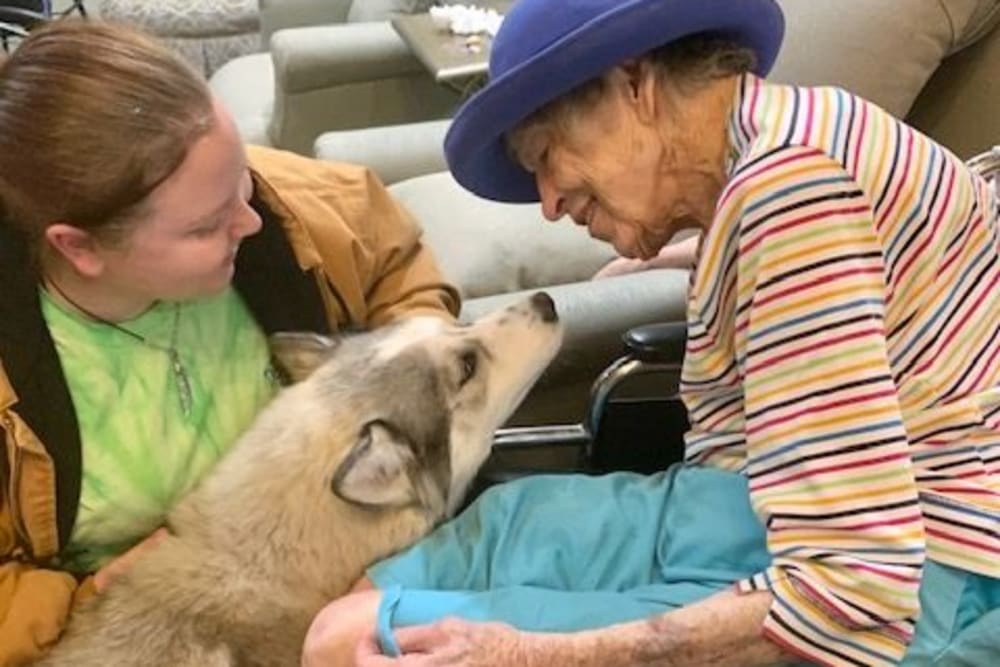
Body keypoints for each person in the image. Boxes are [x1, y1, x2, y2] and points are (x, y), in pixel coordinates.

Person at [300, 0, 1000, 665]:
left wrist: (537, 654)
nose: (548, 204)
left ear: (632, 83)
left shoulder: (792, 201)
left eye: (546, 155)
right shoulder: (797, 142)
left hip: (920, 578)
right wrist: (718, 248)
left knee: (350, 640)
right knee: (481, 534)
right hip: (757, 503)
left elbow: (853, 598)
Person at [0, 19, 459, 665]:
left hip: (360, 584)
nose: (249, 219)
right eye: (206, 226)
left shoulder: (270, 207)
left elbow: (395, 259)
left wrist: (401, 371)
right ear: (77, 247)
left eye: (241, 177)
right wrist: (88, 593)